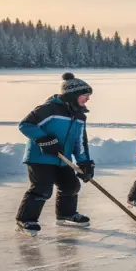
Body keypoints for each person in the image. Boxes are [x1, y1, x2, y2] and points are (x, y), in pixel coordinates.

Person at [15, 72, 95, 235]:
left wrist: (84, 162)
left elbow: (79, 142)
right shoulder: (49, 109)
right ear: (73, 95)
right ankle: (25, 219)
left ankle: (66, 214)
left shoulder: (79, 116)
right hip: (41, 158)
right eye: (84, 95)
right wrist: (44, 139)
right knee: (42, 188)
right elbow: (26, 124)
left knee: (71, 186)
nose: (87, 99)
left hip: (62, 159)